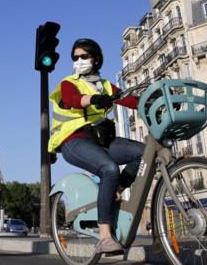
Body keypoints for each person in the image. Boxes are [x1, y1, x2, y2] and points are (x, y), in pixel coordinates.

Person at [48, 38, 145, 255]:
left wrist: (152, 100)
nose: (79, 61)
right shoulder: (68, 82)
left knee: (143, 153)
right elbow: (72, 99)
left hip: (100, 141)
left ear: (96, 59)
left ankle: (117, 188)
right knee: (109, 168)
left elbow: (129, 100)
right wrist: (93, 99)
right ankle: (104, 237)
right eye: (76, 57)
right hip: (73, 141)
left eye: (84, 56)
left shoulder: (105, 85)